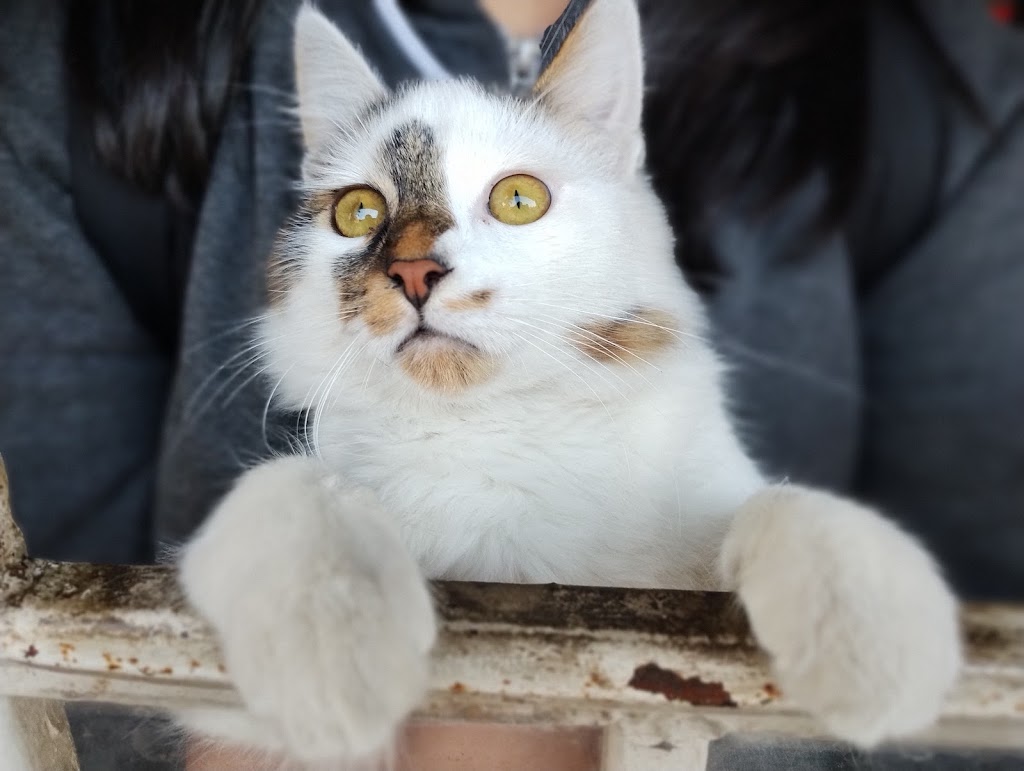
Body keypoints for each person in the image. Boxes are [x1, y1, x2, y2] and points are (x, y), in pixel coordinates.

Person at [1, 1, 1022, 768]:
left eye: (517, 199)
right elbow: (49, 669)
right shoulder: (74, 57)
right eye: (360, 212)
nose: (414, 261)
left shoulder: (923, 80)